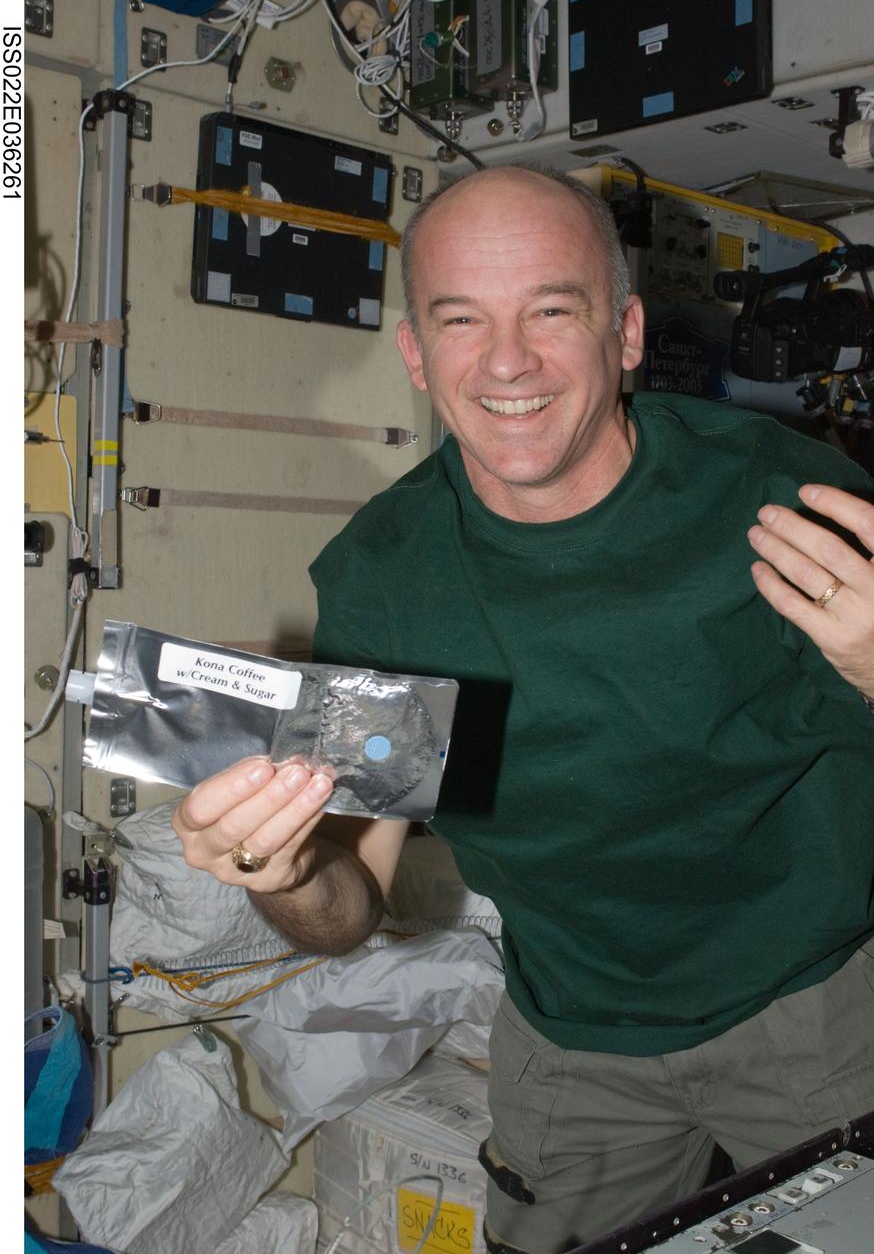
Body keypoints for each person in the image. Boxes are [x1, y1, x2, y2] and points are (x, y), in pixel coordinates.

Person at [172, 166, 874, 1253]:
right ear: (415, 352)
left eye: (552, 309)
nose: (508, 360)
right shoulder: (382, 577)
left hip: (812, 997)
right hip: (571, 1026)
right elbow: (352, 899)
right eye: (463, 319)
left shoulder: (785, 497)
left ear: (627, 332)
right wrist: (293, 871)